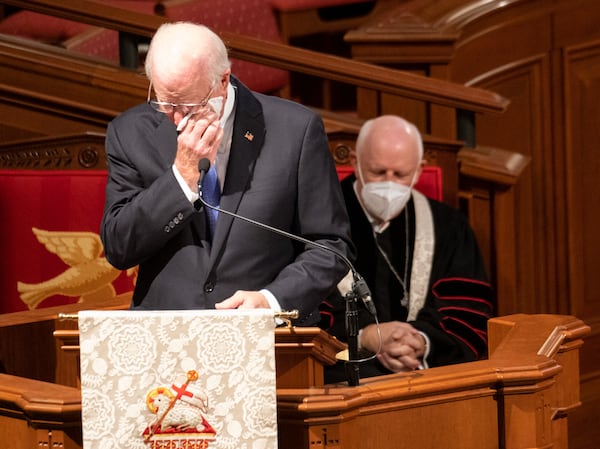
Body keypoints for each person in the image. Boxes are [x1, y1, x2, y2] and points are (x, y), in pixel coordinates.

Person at [100, 22, 353, 325]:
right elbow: (119, 247)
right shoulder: (130, 132)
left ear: (223, 82)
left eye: (190, 104)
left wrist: (272, 301)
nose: (178, 119)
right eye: (166, 103)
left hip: (267, 338)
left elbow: (331, 246)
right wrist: (181, 178)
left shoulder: (295, 130)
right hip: (167, 335)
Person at [321, 115, 494, 381]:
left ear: (419, 170)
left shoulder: (448, 226)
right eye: (378, 172)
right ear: (355, 163)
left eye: (400, 174)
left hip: (425, 365)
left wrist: (419, 341)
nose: (388, 183)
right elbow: (303, 309)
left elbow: (466, 312)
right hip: (345, 365)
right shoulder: (317, 221)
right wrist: (368, 335)